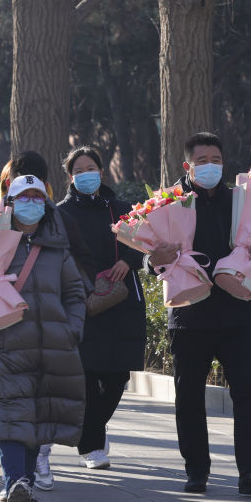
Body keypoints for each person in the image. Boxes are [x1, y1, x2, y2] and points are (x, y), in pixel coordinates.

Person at [149, 132, 251, 495]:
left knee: (247, 394)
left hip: (234, 311)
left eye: (216, 159)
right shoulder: (167, 204)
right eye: (203, 160)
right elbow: (145, 253)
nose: (211, 166)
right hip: (189, 315)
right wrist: (150, 261)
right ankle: (196, 471)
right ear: (187, 165)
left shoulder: (242, 201)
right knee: (188, 395)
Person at [0, 173, 86, 502]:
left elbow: (75, 293)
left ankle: (23, 486)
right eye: (23, 197)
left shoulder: (57, 249)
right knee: (10, 414)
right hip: (5, 343)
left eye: (38, 197)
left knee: (37, 419)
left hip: (51, 346)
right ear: (9, 204)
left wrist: (72, 329)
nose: (31, 203)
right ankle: (16, 480)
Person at [56, 146, 147, 478]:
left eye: (91, 167)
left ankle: (90, 431)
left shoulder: (122, 209)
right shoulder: (61, 213)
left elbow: (148, 245)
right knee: (88, 375)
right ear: (70, 176)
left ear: (102, 172)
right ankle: (91, 445)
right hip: (82, 303)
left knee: (117, 376)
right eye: (79, 170)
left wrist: (129, 259)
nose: (86, 174)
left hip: (122, 301)